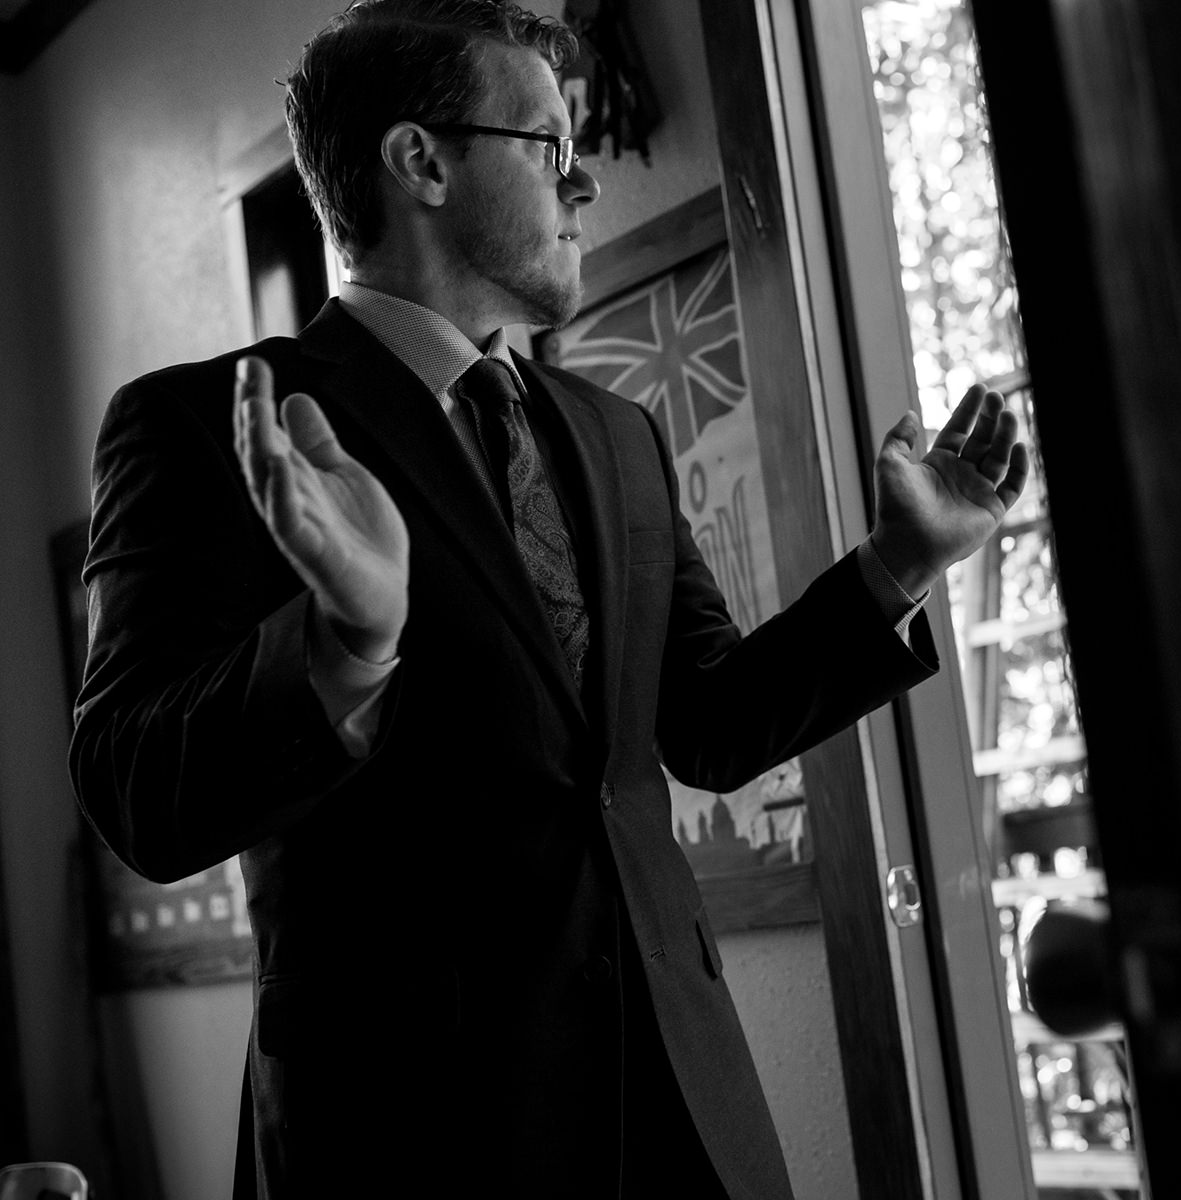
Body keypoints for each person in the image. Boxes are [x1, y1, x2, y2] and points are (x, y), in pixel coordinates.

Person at [67, 1, 1028, 1195]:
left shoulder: (616, 431)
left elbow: (711, 726)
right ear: (421, 161)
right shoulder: (206, 427)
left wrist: (900, 565)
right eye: (549, 149)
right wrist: (342, 647)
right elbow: (131, 789)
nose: (583, 189)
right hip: (408, 1137)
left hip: (687, 1108)